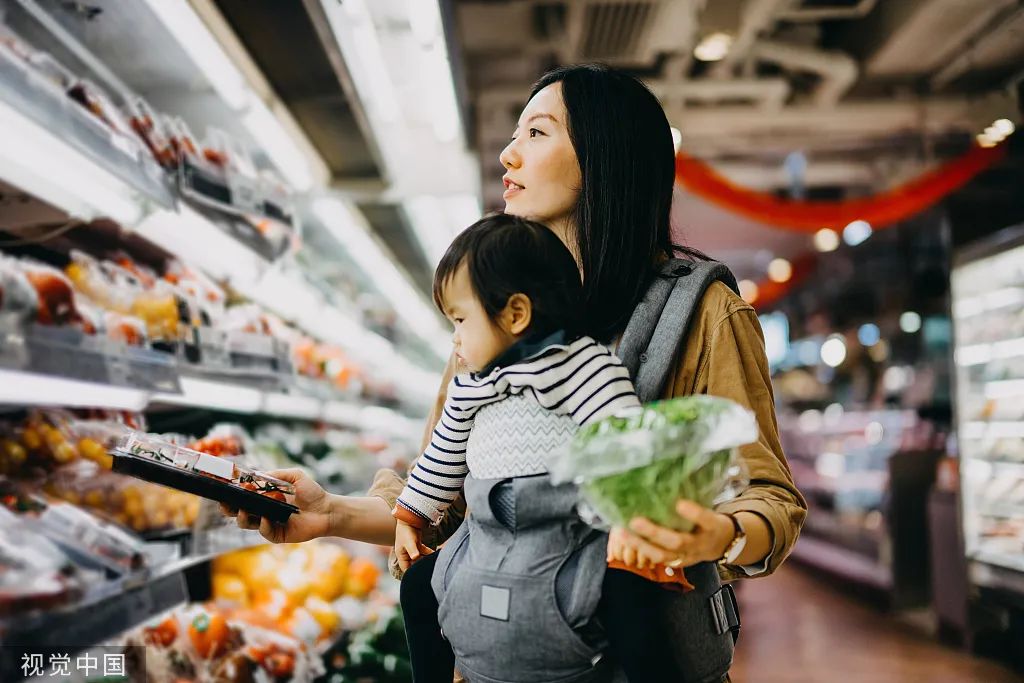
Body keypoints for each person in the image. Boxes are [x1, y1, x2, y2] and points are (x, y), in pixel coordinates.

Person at [225, 63, 807, 682]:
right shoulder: (489, 315)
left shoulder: (704, 312)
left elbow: (770, 502)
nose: (507, 154)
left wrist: (713, 534)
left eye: (537, 133)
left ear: (605, 156)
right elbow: (451, 503)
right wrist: (331, 515)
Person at [392, 213, 694, 683]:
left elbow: (628, 444)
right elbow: (441, 457)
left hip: (572, 536)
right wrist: (410, 516)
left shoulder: (583, 365)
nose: (454, 338)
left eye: (460, 319)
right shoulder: (469, 387)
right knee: (417, 585)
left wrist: (641, 525)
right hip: (488, 538)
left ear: (515, 314)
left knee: (629, 589)